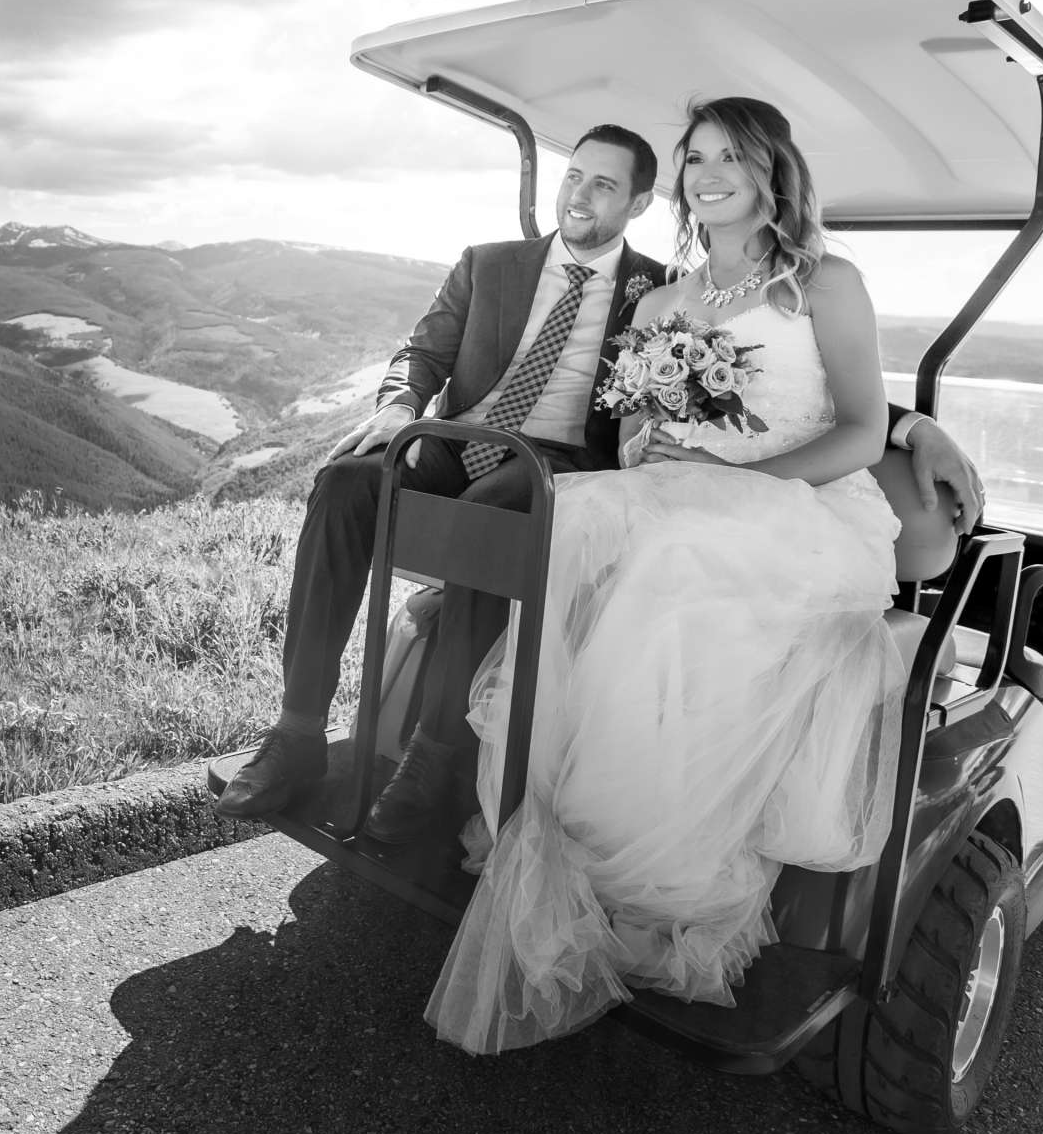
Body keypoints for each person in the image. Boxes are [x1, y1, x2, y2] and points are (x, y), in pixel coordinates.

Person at [216, 119, 985, 846]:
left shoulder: (654, 288)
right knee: (345, 480)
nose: (580, 197)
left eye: (604, 186)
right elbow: (422, 352)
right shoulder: (491, 264)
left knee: (502, 509)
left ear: (640, 203)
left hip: (554, 464)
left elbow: (793, 381)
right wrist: (397, 406)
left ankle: (437, 755)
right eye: (574, 177)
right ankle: (296, 733)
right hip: (459, 439)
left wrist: (915, 426)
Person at [425, 95, 910, 1054]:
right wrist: (656, 451)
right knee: (572, 521)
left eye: (729, 156)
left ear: (772, 168)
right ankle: (532, 812)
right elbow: (640, 433)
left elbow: (860, 427)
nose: (707, 173)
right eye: (694, 159)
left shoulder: (823, 284)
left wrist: (747, 483)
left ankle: (649, 877)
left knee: (677, 564)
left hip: (799, 507)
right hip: (681, 492)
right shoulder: (664, 301)